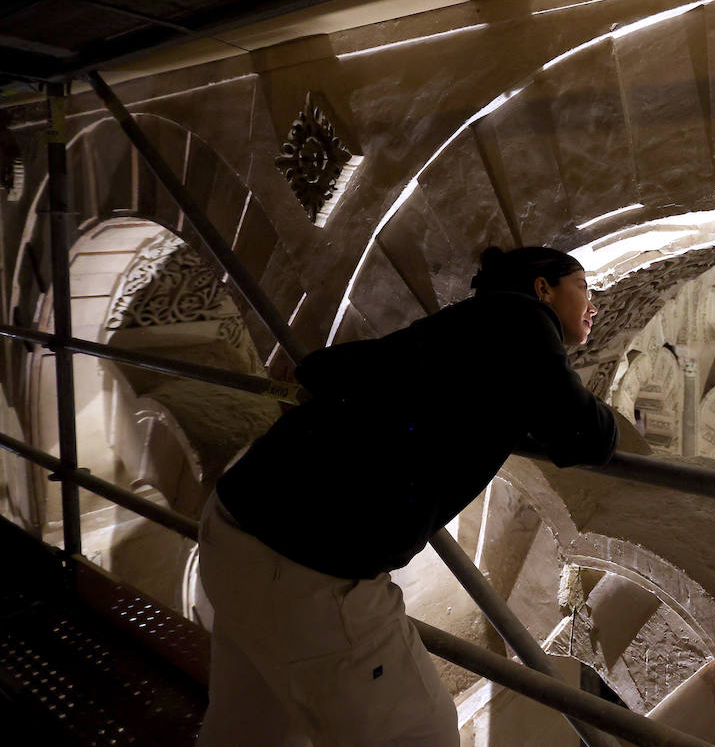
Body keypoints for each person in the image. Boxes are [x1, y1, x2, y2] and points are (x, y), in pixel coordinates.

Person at [196, 246, 617, 746]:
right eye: (584, 288)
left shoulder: (462, 324)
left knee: (251, 731)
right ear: (543, 288)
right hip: (307, 566)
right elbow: (585, 435)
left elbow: (331, 368)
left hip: (238, 520)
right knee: (420, 735)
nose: (594, 306)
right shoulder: (525, 321)